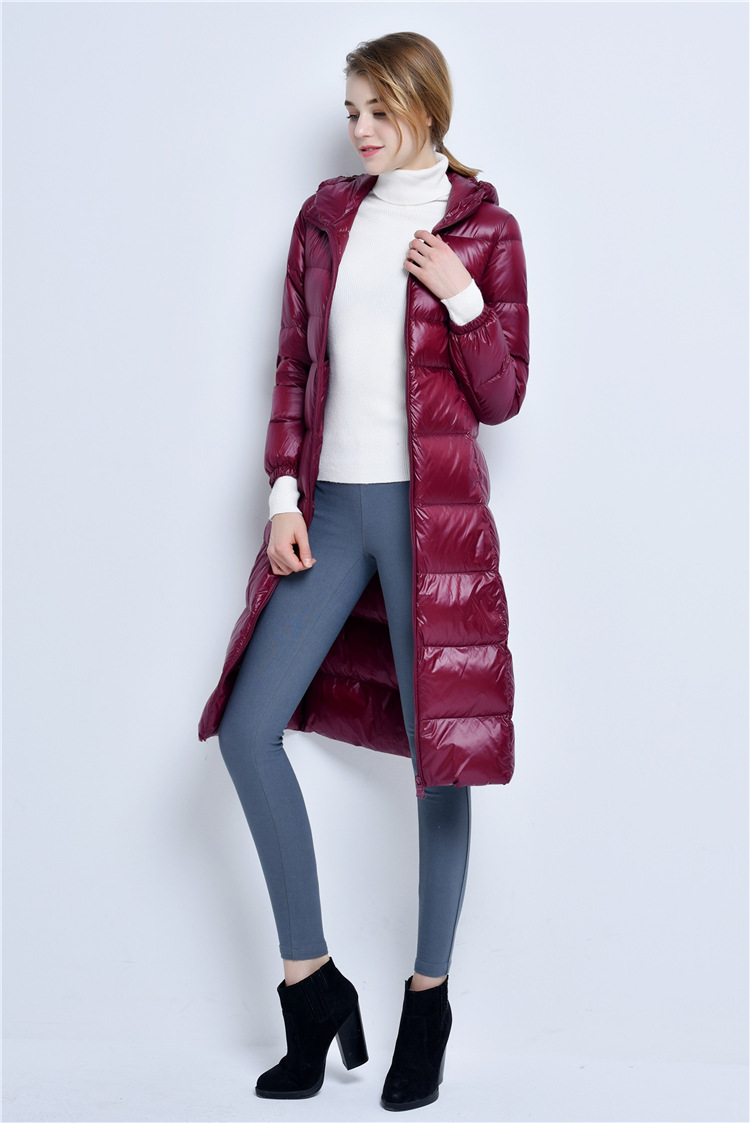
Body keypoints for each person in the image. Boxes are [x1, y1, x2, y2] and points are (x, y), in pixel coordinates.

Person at [198, 30, 529, 1112]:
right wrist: (281, 497)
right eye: (352, 110)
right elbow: (295, 366)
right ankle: (313, 986)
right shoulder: (326, 219)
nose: (361, 129)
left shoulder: (484, 230)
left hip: (433, 524)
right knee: (248, 731)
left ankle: (427, 1004)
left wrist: (464, 297)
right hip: (331, 512)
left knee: (442, 761)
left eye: (379, 109)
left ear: (426, 106)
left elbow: (504, 395)